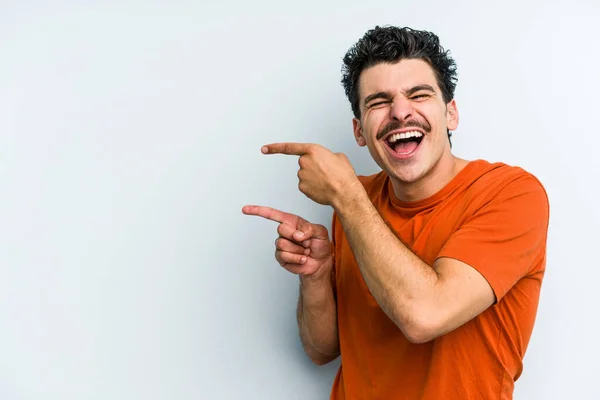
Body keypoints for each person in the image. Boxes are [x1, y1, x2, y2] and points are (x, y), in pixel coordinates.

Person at [242, 25, 549, 400]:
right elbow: (322, 350)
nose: (400, 112)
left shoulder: (510, 194)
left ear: (451, 114)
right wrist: (317, 276)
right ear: (360, 131)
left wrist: (345, 194)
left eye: (418, 94)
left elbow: (424, 317)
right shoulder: (356, 203)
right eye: (378, 102)